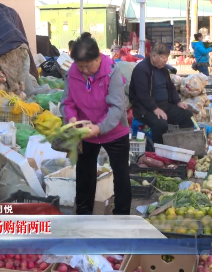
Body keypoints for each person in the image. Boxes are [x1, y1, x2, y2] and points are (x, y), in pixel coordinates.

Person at [61, 32, 131, 215]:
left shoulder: (112, 72)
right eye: (80, 66)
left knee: (121, 175)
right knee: (84, 175)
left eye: (88, 65)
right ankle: (83, 216)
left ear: (99, 57)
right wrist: (72, 120)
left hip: (114, 130)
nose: (84, 70)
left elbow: (117, 106)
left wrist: (99, 128)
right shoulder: (72, 75)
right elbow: (67, 103)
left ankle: (122, 216)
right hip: (85, 132)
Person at [129, 42, 193, 144]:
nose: (166, 60)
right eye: (163, 57)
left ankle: (183, 145)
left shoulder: (163, 69)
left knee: (186, 115)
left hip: (165, 105)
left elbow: (171, 87)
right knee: (161, 124)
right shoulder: (141, 69)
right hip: (145, 108)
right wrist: (155, 109)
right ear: (154, 56)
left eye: (166, 57)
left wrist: (178, 102)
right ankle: (158, 150)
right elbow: (143, 95)